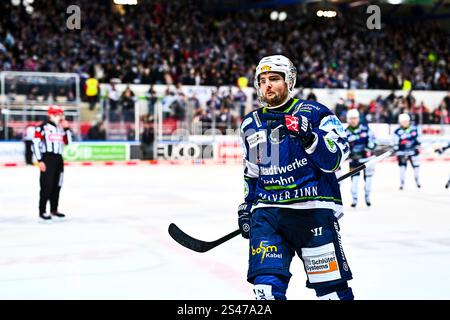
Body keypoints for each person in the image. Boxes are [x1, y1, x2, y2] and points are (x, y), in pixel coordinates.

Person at [238, 55, 353, 300]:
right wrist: (247, 206)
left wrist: (309, 137)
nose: (267, 85)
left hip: (312, 212)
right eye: (263, 80)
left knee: (332, 293)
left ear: (290, 82)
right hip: (268, 215)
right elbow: (252, 171)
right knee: (266, 292)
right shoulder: (250, 123)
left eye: (275, 79)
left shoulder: (316, 113)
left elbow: (334, 159)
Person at [32, 105, 72, 220]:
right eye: (58, 114)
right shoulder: (42, 127)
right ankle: (42, 211)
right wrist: (40, 160)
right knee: (47, 185)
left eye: (61, 114)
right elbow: (35, 144)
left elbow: (68, 142)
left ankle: (54, 209)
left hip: (59, 158)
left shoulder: (60, 128)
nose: (60, 117)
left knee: (57, 185)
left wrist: (66, 129)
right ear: (51, 115)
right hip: (47, 158)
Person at [345, 109, 376, 207]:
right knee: (354, 182)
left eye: (355, 118)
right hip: (354, 161)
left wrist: (368, 148)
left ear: (358, 119)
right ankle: (354, 199)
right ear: (348, 120)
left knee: (369, 181)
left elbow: (373, 141)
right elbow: (343, 147)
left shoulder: (366, 129)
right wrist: (349, 153)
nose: (353, 120)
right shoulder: (345, 132)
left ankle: (367, 197)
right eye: (351, 118)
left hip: (368, 160)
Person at [392, 113, 421, 190]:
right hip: (402, 152)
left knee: (416, 168)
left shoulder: (414, 129)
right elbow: (395, 142)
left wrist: (418, 144)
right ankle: (402, 183)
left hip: (413, 151)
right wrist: (396, 147)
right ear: (400, 122)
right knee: (402, 168)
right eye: (403, 121)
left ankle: (417, 180)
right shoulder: (397, 132)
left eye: (406, 121)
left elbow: (419, 139)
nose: (405, 123)